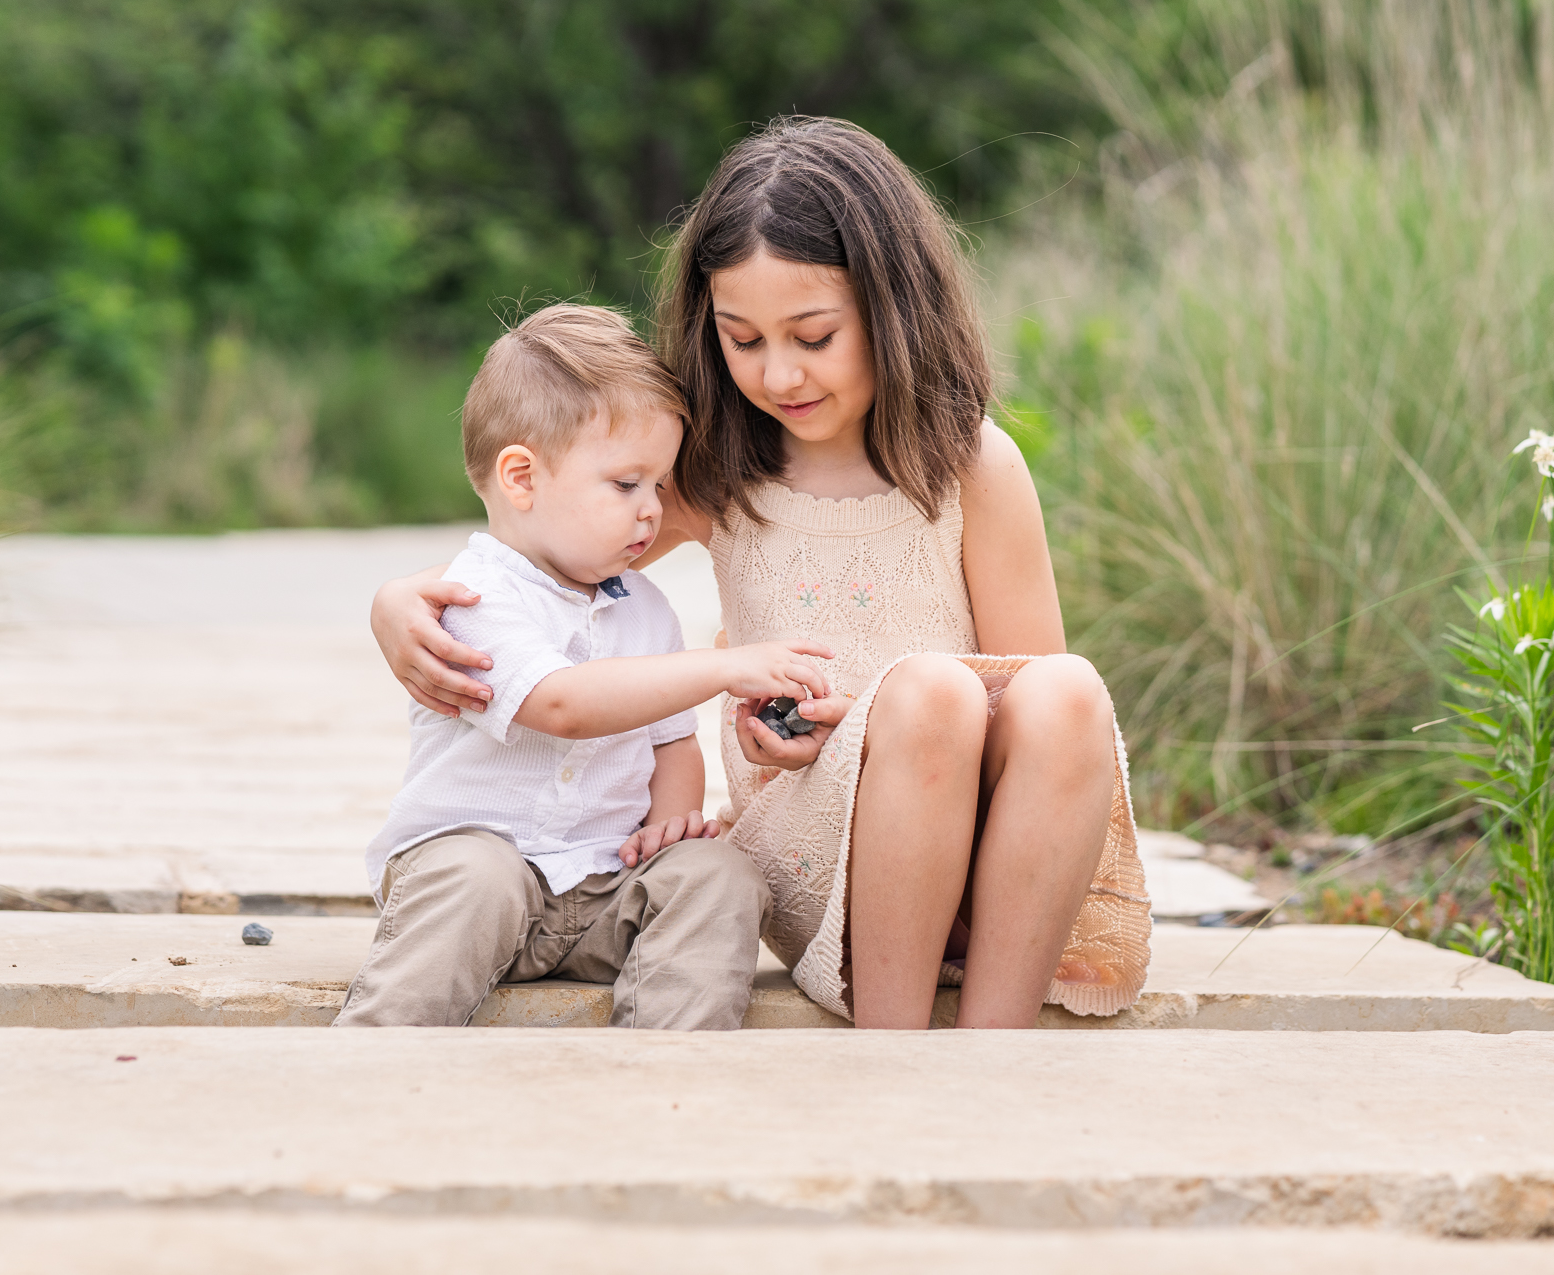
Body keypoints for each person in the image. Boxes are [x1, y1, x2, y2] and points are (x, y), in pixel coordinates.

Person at [369, 119, 1150, 1030]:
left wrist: (874, 716)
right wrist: (398, 602)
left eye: (814, 336)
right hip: (827, 868)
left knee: (1070, 692)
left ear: (892, 309)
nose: (779, 373)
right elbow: (534, 556)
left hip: (986, 867)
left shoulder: (974, 467)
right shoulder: (720, 475)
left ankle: (992, 1044)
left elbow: (1031, 706)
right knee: (932, 692)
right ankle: (890, 1042)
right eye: (742, 340)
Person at [335, 303, 835, 1031]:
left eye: (661, 486)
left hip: (603, 882)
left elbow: (672, 743)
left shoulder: (646, 609)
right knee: (478, 880)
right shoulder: (473, 596)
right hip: (478, 872)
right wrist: (724, 668)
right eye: (626, 484)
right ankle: (378, 1051)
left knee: (719, 874)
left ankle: (670, 1060)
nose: (652, 511)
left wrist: (670, 826)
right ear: (521, 477)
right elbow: (561, 702)